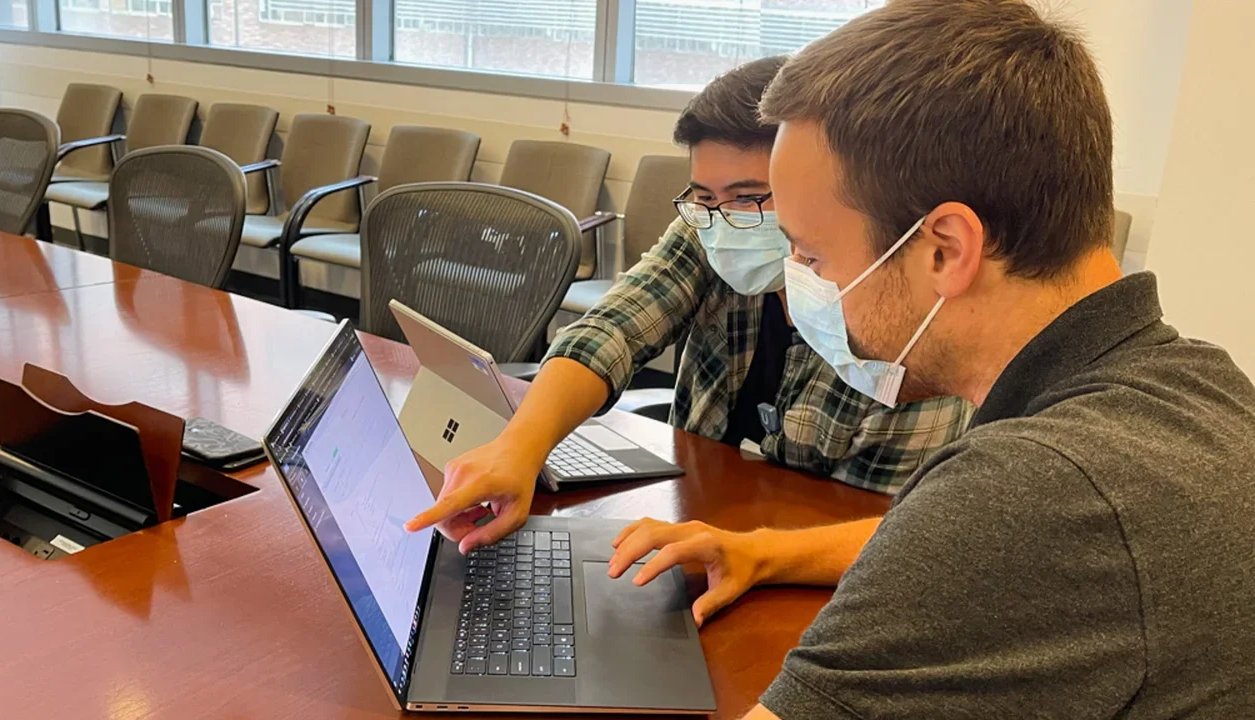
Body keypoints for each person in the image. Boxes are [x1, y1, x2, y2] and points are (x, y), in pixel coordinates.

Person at [619, 0, 1253, 717]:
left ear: (945, 249)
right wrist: (766, 553)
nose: (797, 294)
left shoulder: (1028, 489)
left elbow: (993, 531)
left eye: (812, 254)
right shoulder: (1202, 387)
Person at [407, 57, 972, 557]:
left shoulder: (898, 317)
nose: (724, 217)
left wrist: (751, 552)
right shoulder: (709, 224)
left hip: (808, 563)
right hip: (694, 520)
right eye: (705, 196)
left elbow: (887, 532)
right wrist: (519, 447)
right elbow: (614, 328)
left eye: (749, 197)